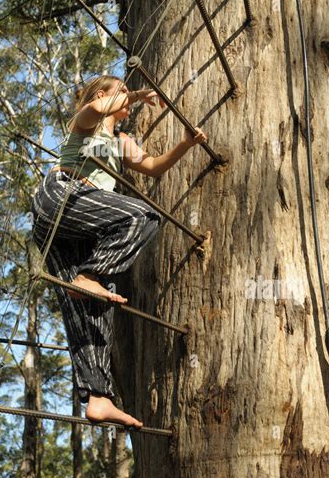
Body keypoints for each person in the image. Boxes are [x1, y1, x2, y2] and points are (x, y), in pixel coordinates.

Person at [31, 74, 207, 428]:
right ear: (102, 94)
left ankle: (98, 398)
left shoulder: (119, 141)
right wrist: (139, 94)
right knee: (142, 214)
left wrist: (186, 144)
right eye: (122, 94)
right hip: (62, 198)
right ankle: (89, 275)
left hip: (83, 227)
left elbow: (154, 166)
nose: (128, 100)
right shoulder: (87, 126)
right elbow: (95, 107)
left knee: (93, 306)